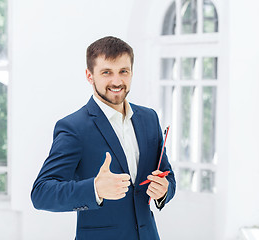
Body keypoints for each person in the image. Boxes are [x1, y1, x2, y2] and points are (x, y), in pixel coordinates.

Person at [31, 36, 176, 240]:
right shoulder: (74, 127)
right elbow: (41, 193)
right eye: (106, 72)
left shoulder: (149, 118)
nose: (116, 81)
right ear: (90, 76)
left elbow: (167, 175)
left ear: (131, 72)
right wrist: (94, 189)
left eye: (123, 71)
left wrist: (164, 190)